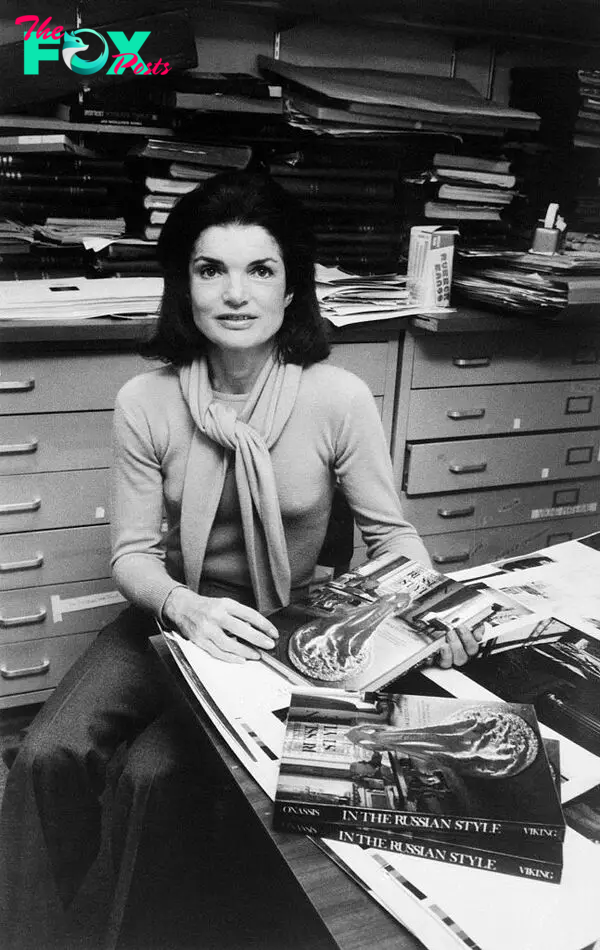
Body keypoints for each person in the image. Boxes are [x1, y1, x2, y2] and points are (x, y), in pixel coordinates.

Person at [0, 171, 480, 950]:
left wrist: (436, 614)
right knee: (49, 754)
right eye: (209, 268)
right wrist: (187, 608)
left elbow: (394, 542)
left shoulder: (339, 397)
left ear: (292, 290)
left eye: (260, 269)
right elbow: (130, 554)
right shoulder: (145, 401)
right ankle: (32, 932)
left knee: (150, 779)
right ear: (183, 285)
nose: (235, 292)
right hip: (176, 608)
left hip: (284, 624)